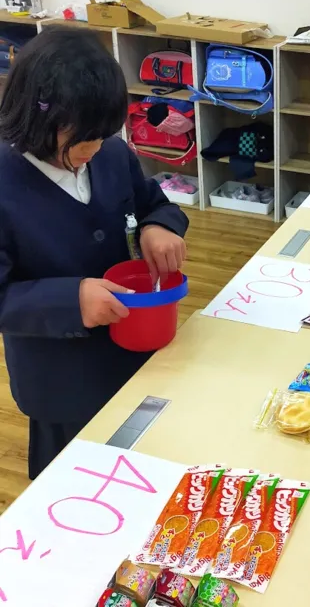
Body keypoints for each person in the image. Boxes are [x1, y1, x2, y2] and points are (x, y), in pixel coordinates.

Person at [0, 27, 189, 479]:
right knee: (74, 483)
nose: (95, 147)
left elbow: (153, 202)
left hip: (135, 355)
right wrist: (71, 300)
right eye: (83, 138)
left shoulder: (109, 155)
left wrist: (160, 225)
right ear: (36, 116)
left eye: (104, 135)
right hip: (60, 381)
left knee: (142, 468)